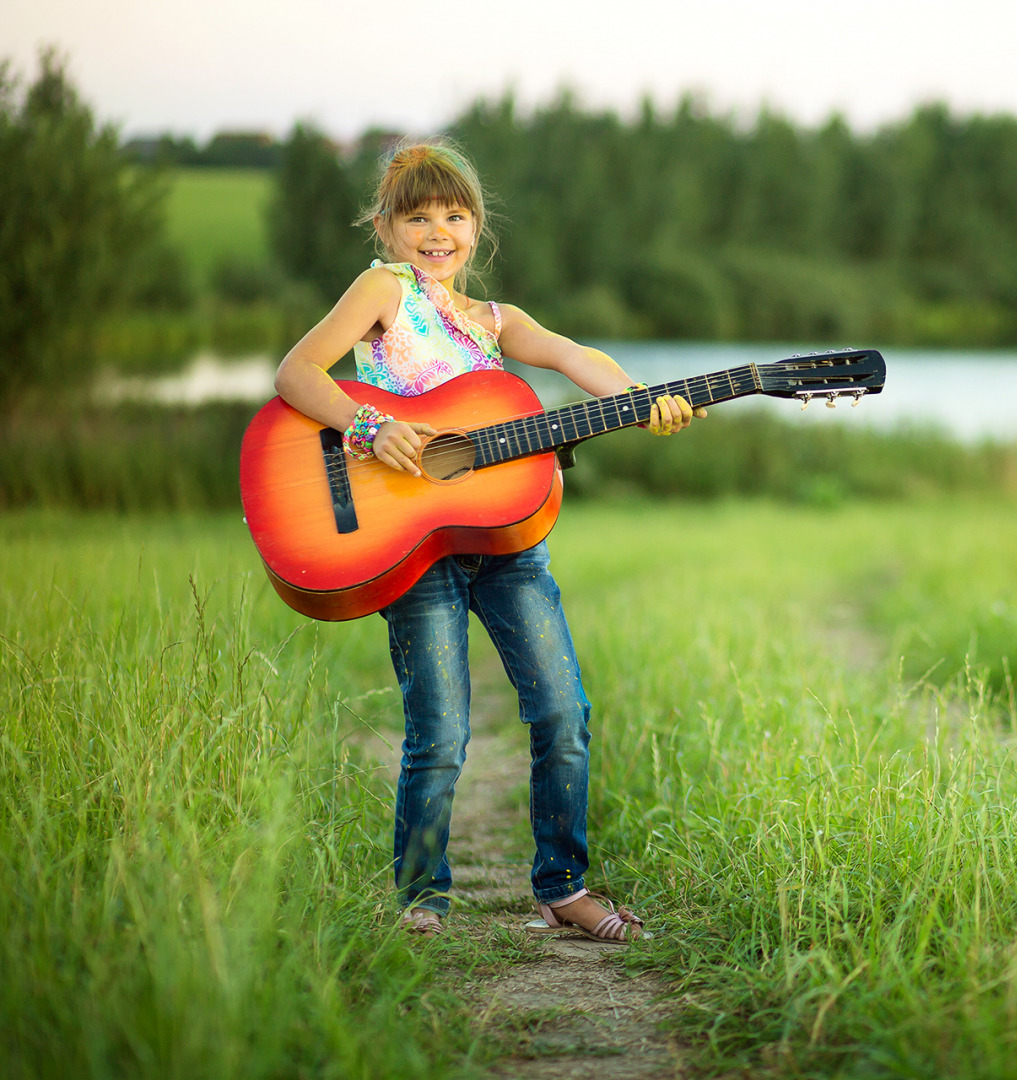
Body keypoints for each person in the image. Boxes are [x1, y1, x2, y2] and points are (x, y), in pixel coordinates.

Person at [272, 141, 703, 939]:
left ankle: (562, 888)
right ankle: (422, 897)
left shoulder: (493, 322)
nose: (439, 232)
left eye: (455, 215)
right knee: (438, 733)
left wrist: (649, 398)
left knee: (563, 714)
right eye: (419, 217)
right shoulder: (383, 290)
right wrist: (372, 426)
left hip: (509, 549)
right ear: (387, 226)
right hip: (410, 545)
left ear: (478, 226)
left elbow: (577, 358)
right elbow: (297, 373)